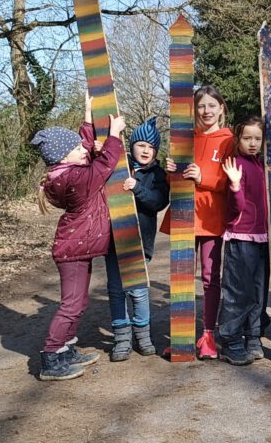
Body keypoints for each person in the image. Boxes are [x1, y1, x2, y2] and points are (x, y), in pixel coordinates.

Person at [31, 95, 123, 380]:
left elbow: (83, 147)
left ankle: (67, 350)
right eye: (76, 148)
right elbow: (104, 164)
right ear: (62, 157)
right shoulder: (76, 180)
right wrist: (114, 136)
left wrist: (87, 115)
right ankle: (51, 355)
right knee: (71, 305)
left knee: (79, 303)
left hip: (76, 248)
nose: (83, 149)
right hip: (72, 250)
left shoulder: (64, 172)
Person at [216, 117, 271, 365]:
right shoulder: (235, 165)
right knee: (237, 293)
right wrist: (235, 185)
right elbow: (234, 208)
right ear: (238, 139)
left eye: (257, 139)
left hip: (263, 238)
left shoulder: (264, 166)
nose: (252, 143)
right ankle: (231, 341)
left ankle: (253, 337)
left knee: (258, 293)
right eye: (247, 138)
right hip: (241, 238)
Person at [163, 85, 233, 359]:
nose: (206, 111)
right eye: (201, 106)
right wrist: (172, 172)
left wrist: (203, 177)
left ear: (221, 109)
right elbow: (174, 183)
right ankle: (180, 335)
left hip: (211, 216)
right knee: (180, 275)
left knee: (209, 278)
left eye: (211, 106)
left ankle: (208, 336)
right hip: (183, 215)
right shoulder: (184, 138)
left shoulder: (228, 140)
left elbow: (229, 182)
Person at [105, 117, 169, 361]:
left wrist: (137, 188)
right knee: (116, 290)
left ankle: (143, 336)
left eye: (151, 147)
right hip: (113, 241)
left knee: (138, 291)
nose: (146, 150)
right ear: (131, 146)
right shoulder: (119, 167)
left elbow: (158, 201)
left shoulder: (157, 175)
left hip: (140, 242)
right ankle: (122, 338)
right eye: (141, 145)